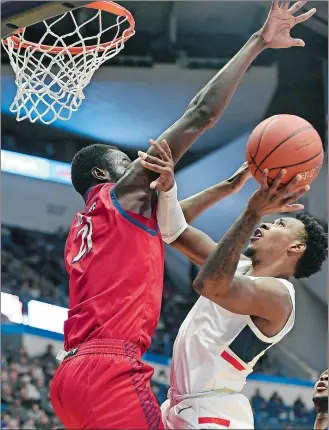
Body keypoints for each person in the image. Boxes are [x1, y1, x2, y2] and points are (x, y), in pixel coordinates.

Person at [50, 1, 316, 428]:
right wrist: (257, 41)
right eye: (127, 161)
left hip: (70, 374)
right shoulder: (127, 194)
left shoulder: (91, 224)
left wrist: (225, 188)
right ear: (106, 174)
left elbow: (169, 226)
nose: (138, 162)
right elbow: (201, 113)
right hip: (110, 371)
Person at [140, 138, 327, 429]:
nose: (266, 224)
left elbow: (210, 286)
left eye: (280, 224)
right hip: (183, 406)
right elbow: (173, 230)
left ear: (296, 248)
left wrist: (253, 212)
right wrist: (173, 188)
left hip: (214, 415)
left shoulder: (279, 296)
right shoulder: (239, 266)